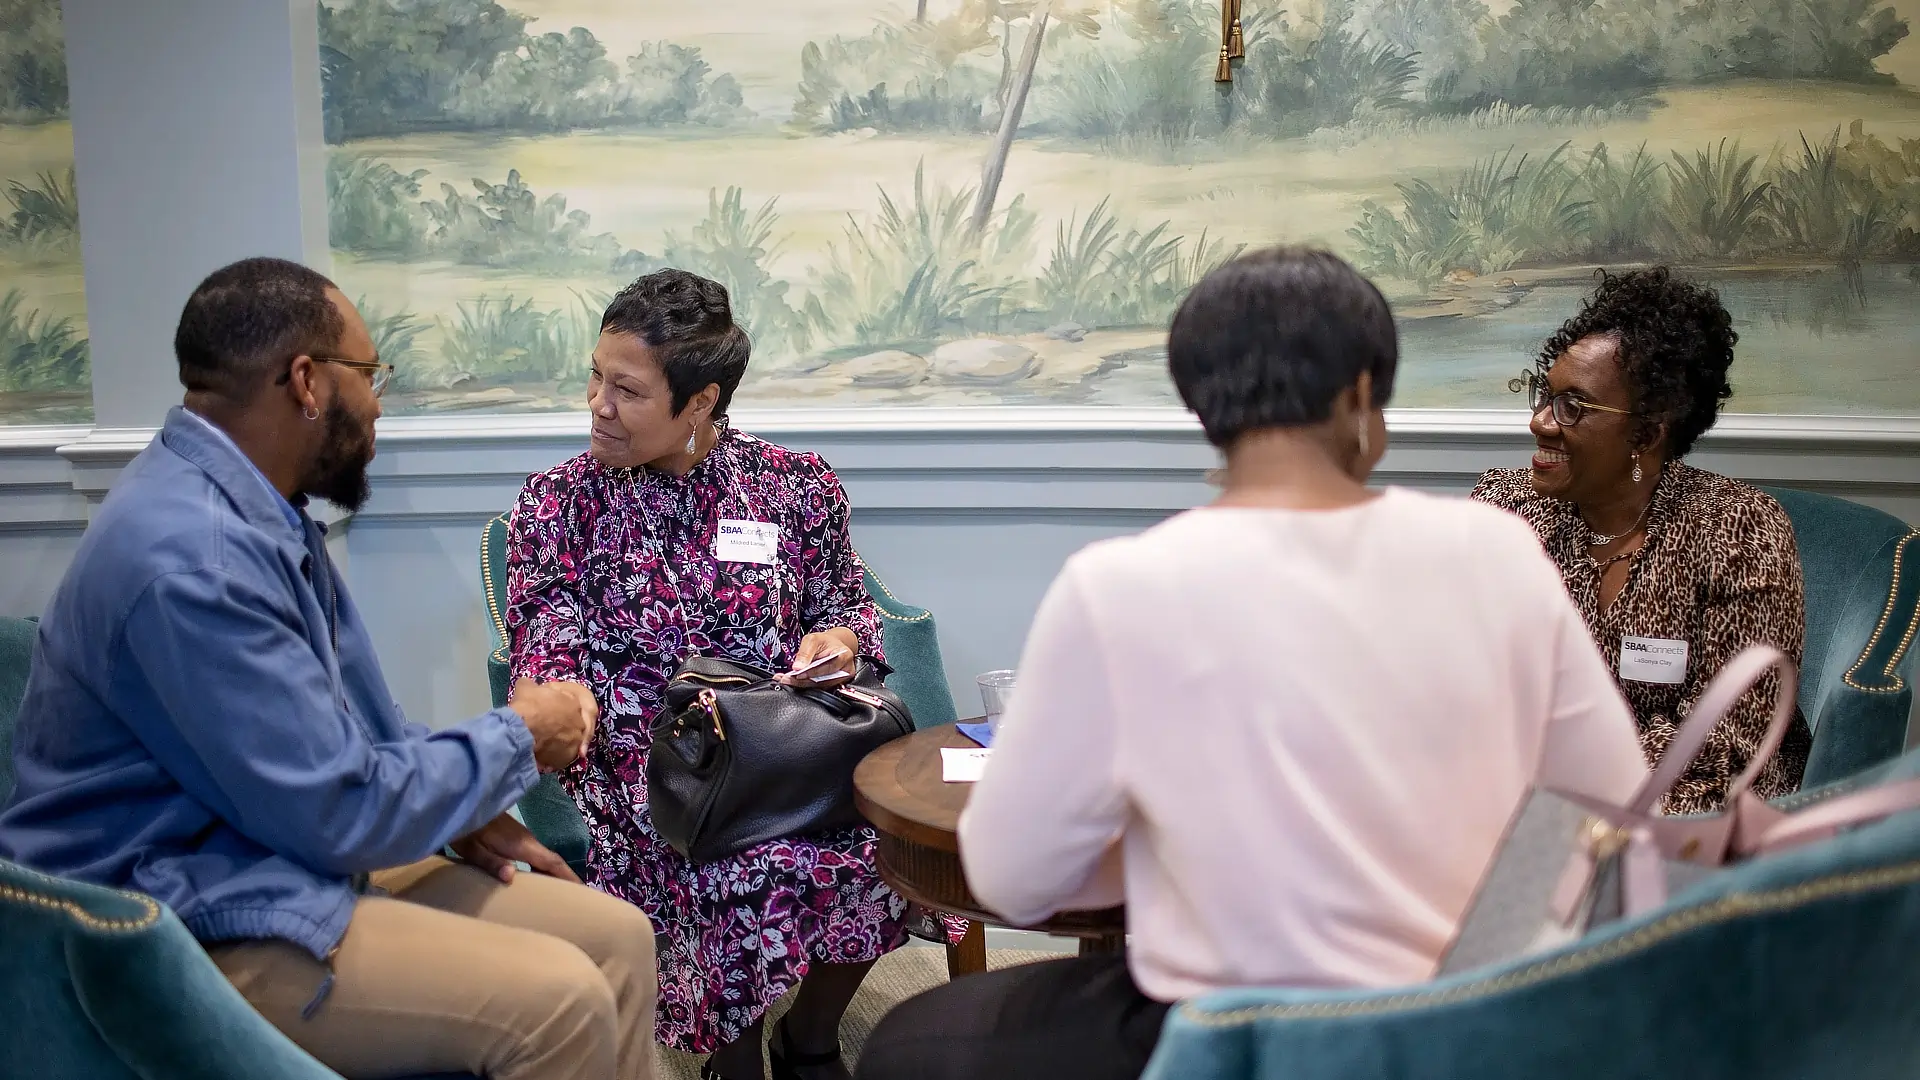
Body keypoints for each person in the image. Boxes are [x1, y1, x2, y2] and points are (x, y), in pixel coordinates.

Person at [856, 248, 1652, 1080]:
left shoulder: (1120, 587)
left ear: (1204, 410)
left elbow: (1017, 881)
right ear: (1359, 400)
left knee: (909, 1043)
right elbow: (1612, 814)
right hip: (1463, 1028)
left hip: (1226, 1039)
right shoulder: (1498, 553)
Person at [0, 257, 657, 1080]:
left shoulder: (257, 511)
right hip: (174, 914)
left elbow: (343, 743)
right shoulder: (193, 560)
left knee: (618, 939)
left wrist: (454, 808)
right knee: (562, 1000)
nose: (378, 403)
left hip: (262, 843)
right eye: (371, 376)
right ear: (307, 382)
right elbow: (339, 810)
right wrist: (520, 739)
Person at [506, 268, 938, 1080]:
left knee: (886, 850)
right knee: (733, 868)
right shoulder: (559, 504)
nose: (599, 403)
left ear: (700, 401)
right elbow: (547, 658)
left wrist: (836, 638)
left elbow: (843, 601)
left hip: (777, 749)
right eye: (596, 375)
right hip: (642, 768)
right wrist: (566, 716)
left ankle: (808, 1040)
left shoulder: (793, 486)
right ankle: (728, 1058)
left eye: (628, 390)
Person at [1472, 267, 1809, 814]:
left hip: (1690, 818)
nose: (1539, 422)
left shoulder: (1736, 532)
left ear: (1647, 433)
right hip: (1526, 804)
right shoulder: (1505, 511)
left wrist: (1567, 794)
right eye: (1543, 394)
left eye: (1572, 406)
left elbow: (1726, 749)